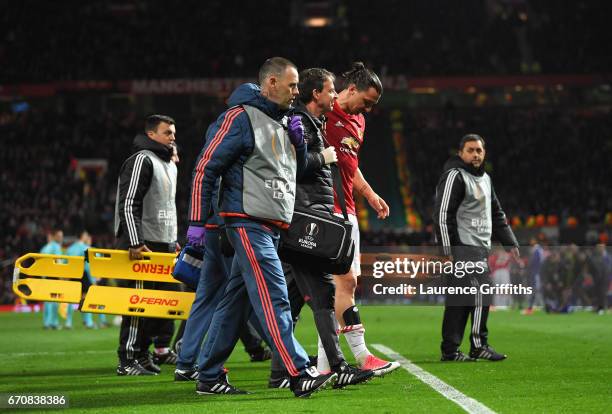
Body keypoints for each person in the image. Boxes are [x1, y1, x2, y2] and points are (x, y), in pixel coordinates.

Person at [188, 57, 337, 397]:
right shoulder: (240, 118)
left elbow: (290, 174)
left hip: (271, 224)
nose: (297, 92)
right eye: (292, 85)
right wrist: (197, 223)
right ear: (271, 83)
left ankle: (209, 376)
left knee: (235, 302)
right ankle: (298, 372)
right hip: (246, 221)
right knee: (274, 296)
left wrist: (299, 146)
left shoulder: (284, 122)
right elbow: (205, 168)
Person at [269, 67, 374, 388]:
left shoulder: (311, 122)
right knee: (315, 293)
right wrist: (323, 157)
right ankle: (335, 366)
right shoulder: (298, 122)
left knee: (298, 298)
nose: (334, 95)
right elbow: (295, 165)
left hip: (309, 216)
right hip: (302, 220)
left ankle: (284, 373)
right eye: (330, 91)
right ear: (317, 94)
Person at [322, 62, 399, 375]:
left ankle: (325, 365)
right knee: (344, 282)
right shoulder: (321, 115)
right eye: (366, 101)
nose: (368, 108)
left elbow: (350, 166)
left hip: (349, 210)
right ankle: (362, 355)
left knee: (334, 289)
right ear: (350, 89)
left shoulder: (359, 121)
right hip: (327, 210)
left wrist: (369, 194)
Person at [433, 134, 520, 362]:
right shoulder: (455, 176)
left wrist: (509, 242)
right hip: (462, 247)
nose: (475, 155)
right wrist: (446, 250)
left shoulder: (486, 179)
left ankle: (451, 350)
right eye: (470, 150)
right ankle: (478, 344)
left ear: (484, 153)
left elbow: (496, 213)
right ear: (461, 153)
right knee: (483, 290)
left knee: (459, 301)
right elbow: (443, 215)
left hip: (479, 247)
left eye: (479, 151)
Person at [114, 114, 180, 375]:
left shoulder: (169, 163)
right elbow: (129, 202)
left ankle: (142, 355)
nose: (173, 136)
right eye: (167, 132)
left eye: (174, 132)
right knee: (137, 303)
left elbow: (167, 205)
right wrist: (135, 241)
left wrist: (173, 240)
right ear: (151, 134)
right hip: (143, 244)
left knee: (157, 304)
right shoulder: (142, 159)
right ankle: (127, 358)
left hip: (162, 243)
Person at [66, 230, 107, 328]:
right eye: (86, 235)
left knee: (71, 300)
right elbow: (96, 256)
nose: (87, 237)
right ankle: (89, 322)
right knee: (87, 298)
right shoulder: (85, 248)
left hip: (72, 275)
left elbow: (66, 262)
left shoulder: (70, 249)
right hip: (83, 275)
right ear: (82, 236)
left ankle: (68, 322)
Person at [40, 229, 63, 329]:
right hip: (54, 275)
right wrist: (62, 275)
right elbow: (59, 261)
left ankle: (46, 323)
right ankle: (53, 323)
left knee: (47, 301)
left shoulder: (44, 248)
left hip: (46, 276)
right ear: (54, 236)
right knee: (54, 300)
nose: (60, 238)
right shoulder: (56, 247)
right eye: (59, 236)